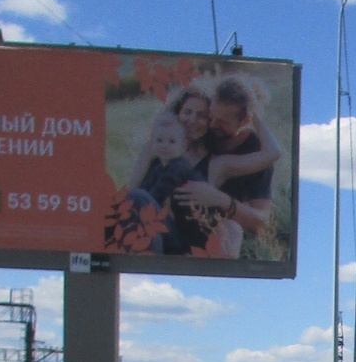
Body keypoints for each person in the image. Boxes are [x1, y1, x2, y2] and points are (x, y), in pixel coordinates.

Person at [176, 76, 282, 258]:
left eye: (222, 121)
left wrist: (222, 201)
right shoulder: (202, 132)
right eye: (211, 116)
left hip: (216, 233)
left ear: (245, 120)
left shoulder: (254, 152)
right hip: (177, 223)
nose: (213, 124)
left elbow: (263, 224)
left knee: (230, 230)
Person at [120, 111, 205, 255]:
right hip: (167, 229)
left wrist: (136, 201)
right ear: (152, 143)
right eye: (159, 140)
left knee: (139, 200)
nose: (164, 146)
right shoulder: (158, 167)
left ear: (184, 146)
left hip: (185, 239)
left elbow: (155, 197)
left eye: (171, 141)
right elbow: (145, 190)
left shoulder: (180, 168)